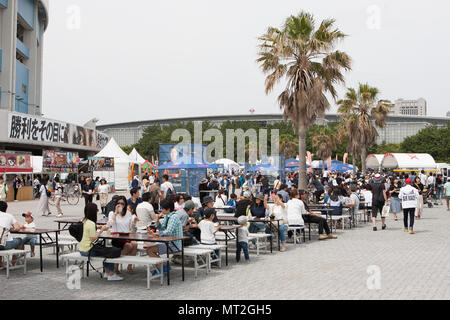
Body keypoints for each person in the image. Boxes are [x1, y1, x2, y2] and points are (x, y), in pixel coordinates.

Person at [79, 203, 122, 281]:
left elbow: (87, 231)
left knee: (105, 250)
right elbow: (93, 239)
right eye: (96, 210)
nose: (97, 211)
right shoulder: (91, 224)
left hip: (82, 248)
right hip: (88, 250)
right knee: (109, 252)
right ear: (93, 212)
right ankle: (111, 274)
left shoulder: (83, 220)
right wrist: (101, 230)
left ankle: (107, 272)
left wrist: (97, 227)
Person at [108, 196, 138, 274]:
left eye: (122, 203)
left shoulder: (128, 213)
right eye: (118, 203)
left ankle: (129, 265)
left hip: (126, 236)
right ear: (115, 204)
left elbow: (130, 227)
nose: (120, 205)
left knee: (135, 244)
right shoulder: (112, 213)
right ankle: (115, 265)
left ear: (125, 205)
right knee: (129, 246)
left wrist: (134, 222)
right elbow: (111, 223)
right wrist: (116, 212)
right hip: (116, 237)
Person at [0, 201, 25, 268]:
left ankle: (0, 263)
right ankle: (13, 261)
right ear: (6, 209)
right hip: (5, 244)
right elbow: (17, 228)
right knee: (20, 240)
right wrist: (9, 229)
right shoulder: (9, 216)